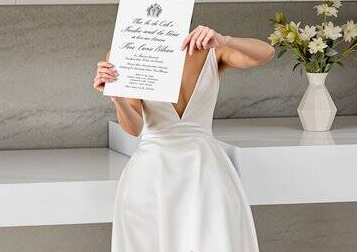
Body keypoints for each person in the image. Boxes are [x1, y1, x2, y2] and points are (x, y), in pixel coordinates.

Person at [94, 24, 274, 251]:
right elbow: (134, 128)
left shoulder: (210, 49)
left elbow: (266, 53)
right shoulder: (127, 52)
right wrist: (116, 97)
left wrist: (225, 38)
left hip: (204, 172)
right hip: (153, 174)